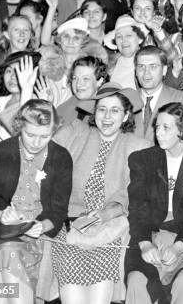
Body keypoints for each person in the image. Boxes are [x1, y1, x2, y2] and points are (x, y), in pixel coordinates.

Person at [51, 83, 151, 304]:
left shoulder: (139, 147)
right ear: (94, 113)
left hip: (110, 230)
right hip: (71, 226)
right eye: (102, 109)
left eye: (115, 110)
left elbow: (135, 192)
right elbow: (38, 146)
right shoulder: (76, 133)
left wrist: (109, 212)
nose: (107, 116)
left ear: (126, 116)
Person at [0, 99, 72, 304]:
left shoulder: (61, 157)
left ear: (54, 131)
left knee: (8, 263)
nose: (36, 142)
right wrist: (2, 216)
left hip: (41, 238)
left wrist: (40, 225)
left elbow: (58, 211)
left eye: (45, 136)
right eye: (30, 135)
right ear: (19, 126)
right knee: (8, 251)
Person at [125, 102, 183, 304]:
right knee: (136, 282)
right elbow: (137, 207)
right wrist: (145, 243)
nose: (159, 133)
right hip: (148, 236)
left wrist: (178, 246)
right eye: (157, 126)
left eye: (166, 127)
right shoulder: (142, 159)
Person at [133, 45, 183, 140]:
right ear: (135, 71)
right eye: (141, 67)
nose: (146, 73)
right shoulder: (127, 100)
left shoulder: (181, 100)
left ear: (164, 70)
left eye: (153, 66)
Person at [57, 55, 110, 124]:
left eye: (85, 78)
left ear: (99, 81)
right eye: (75, 78)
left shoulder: (105, 111)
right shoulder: (72, 101)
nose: (78, 84)